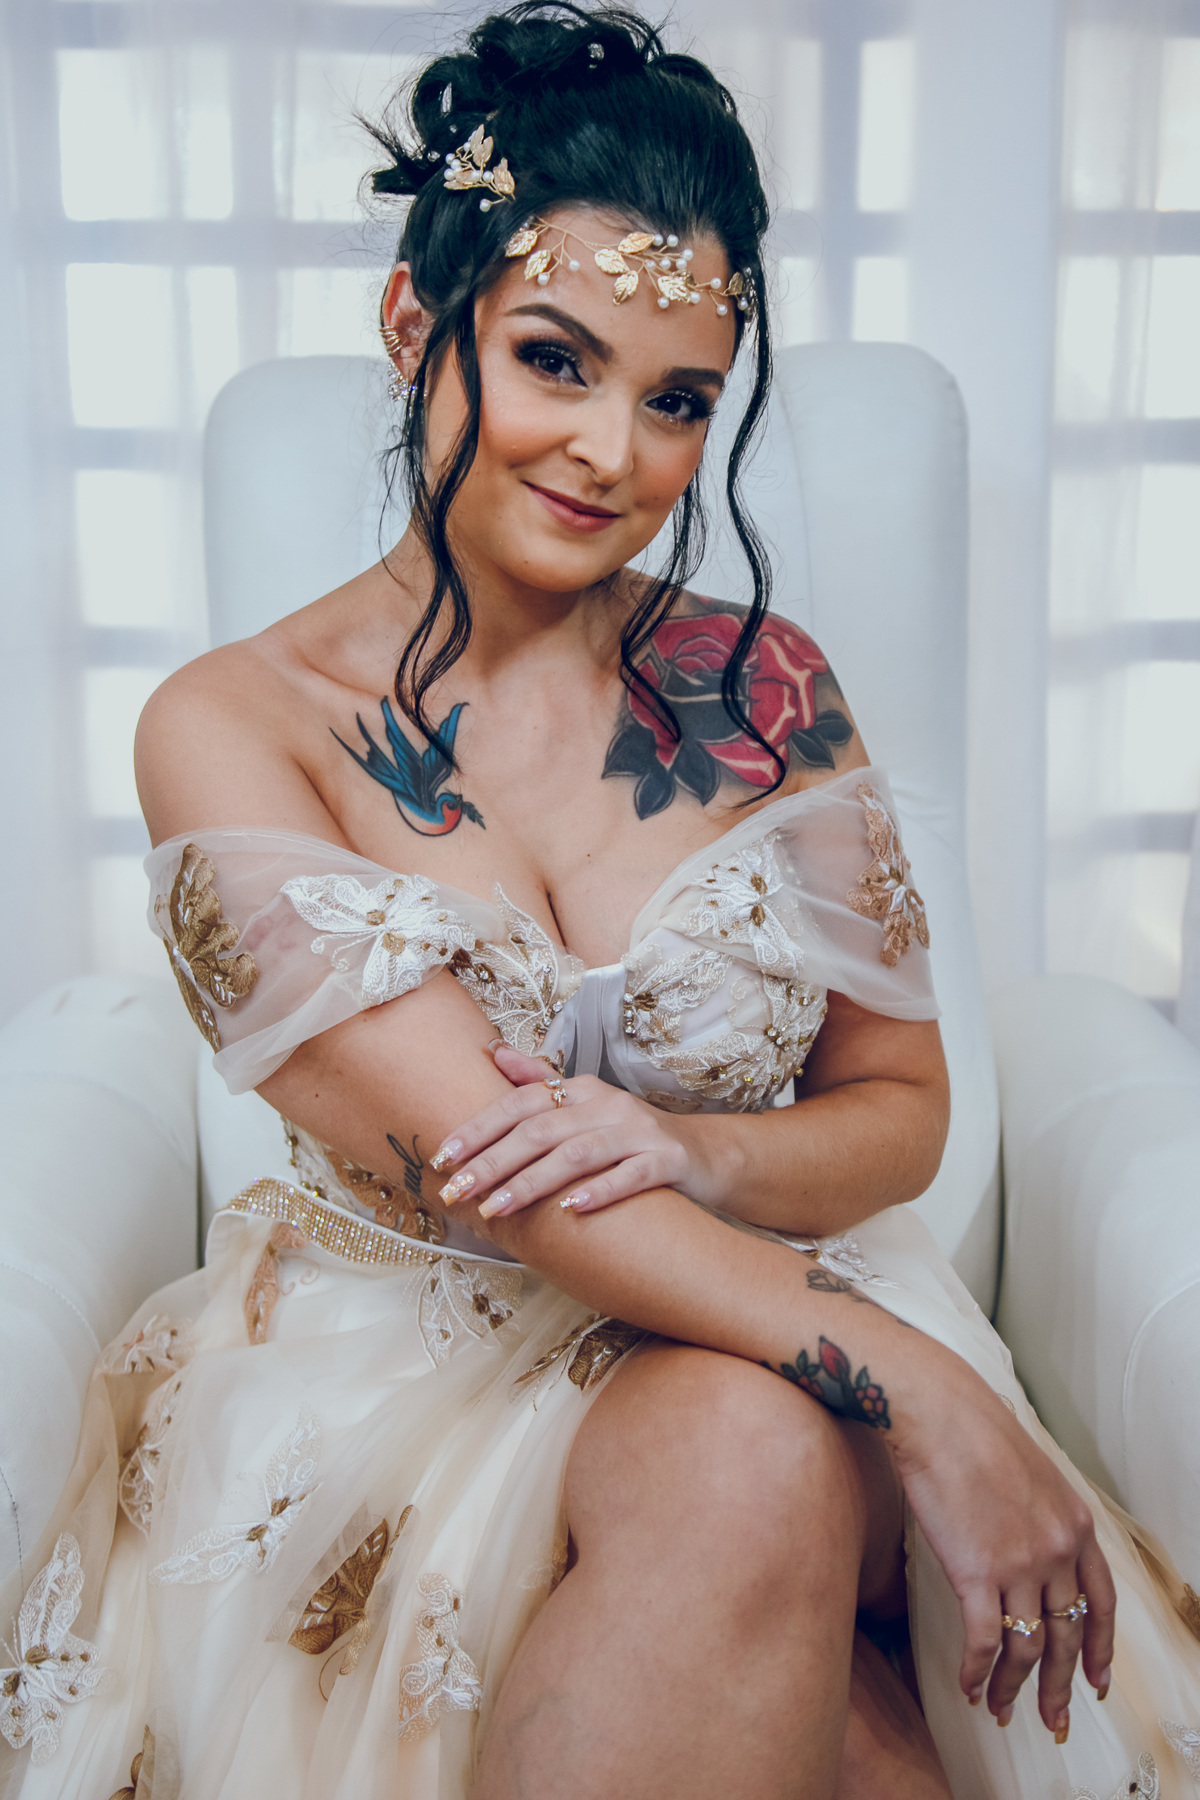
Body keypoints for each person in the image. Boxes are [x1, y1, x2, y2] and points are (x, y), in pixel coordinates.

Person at [4, 6, 1200, 1796]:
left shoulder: (766, 687)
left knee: (750, 1450)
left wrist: (701, 1152)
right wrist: (922, 1387)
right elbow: (489, 1176)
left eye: (676, 401)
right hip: (410, 1368)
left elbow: (903, 1106)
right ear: (415, 325)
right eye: (553, 360)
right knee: (768, 1486)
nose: (610, 454)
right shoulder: (237, 726)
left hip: (779, 1306)